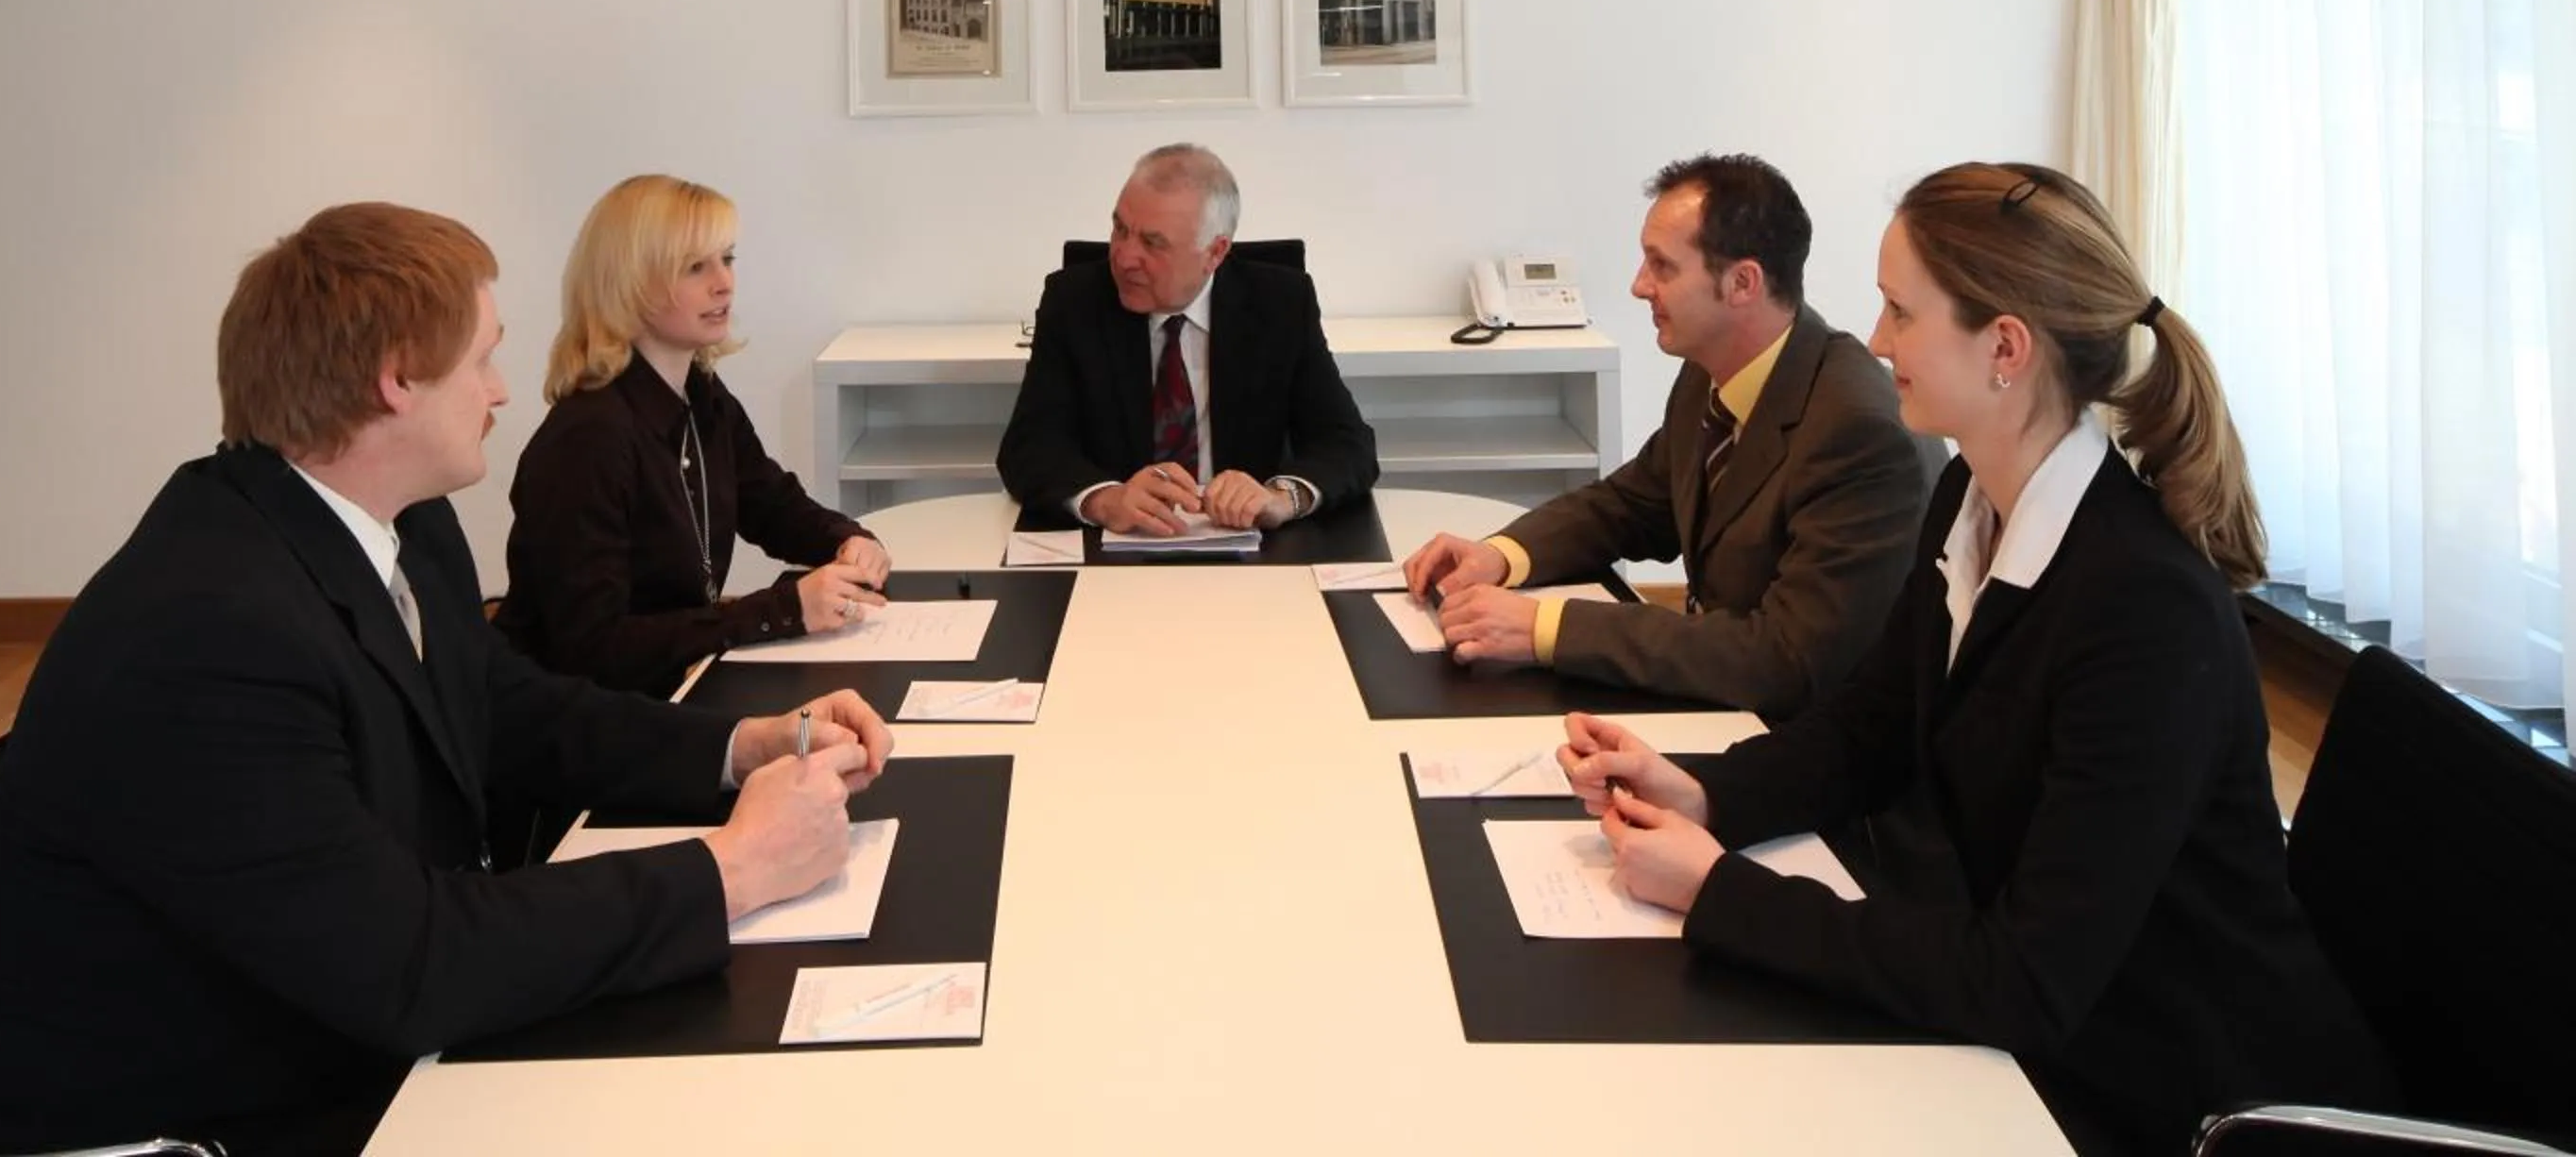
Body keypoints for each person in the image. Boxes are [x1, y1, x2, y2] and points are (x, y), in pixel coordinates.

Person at [0, 204, 893, 1157]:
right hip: (194, 1116)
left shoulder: (398, 526)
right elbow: (411, 963)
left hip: (321, 1033)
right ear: (397, 378)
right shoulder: (204, 631)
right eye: (482, 357)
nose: (502, 390)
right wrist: (736, 867)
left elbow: (509, 708)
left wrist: (742, 743)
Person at [1557, 163, 2393, 1155]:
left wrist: (1719, 891)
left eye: (1901, 312)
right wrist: (1701, 791)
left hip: (2170, 1090)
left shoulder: (2145, 612)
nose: (1873, 341)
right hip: (2053, 1033)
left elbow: (2024, 977)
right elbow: (1869, 730)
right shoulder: (1969, 497)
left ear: (2005, 347)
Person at [1405, 155, 1932, 720]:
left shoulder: (1860, 433)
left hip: (1816, 752)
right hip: (1730, 706)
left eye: (1662, 266)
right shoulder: (1712, 367)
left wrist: (1547, 627)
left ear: (1742, 283)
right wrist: (1500, 555)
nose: (1638, 286)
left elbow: (1787, 658)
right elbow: (1635, 502)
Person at [498, 176, 890, 693]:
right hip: (583, 726)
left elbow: (771, 505)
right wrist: (782, 611)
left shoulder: (702, 394)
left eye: (727, 259)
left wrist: (846, 540)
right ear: (629, 283)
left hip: (671, 688)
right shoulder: (587, 439)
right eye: (694, 267)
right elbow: (592, 649)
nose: (724, 283)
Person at [997, 143, 1377, 534]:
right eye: (1120, 229)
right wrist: (1106, 500)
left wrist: (1281, 497)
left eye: (1153, 243)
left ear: (1215, 252)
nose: (1125, 257)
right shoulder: (1074, 302)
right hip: (1120, 548)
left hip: (1247, 548)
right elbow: (1029, 447)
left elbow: (1347, 444)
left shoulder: (1280, 304)